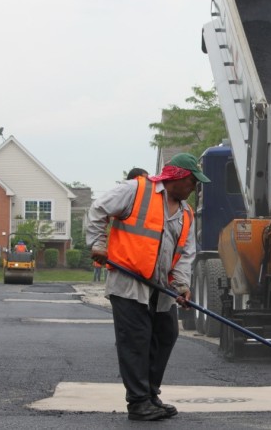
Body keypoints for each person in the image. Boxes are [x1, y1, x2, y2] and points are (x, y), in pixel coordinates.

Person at [86, 153, 208, 421]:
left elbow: (185, 254)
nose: (194, 188)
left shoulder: (186, 214)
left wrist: (182, 286)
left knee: (166, 334)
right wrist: (97, 244)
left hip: (160, 288)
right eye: (191, 181)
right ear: (176, 178)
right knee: (136, 341)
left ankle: (151, 394)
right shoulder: (136, 190)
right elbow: (98, 209)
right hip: (129, 282)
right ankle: (138, 402)